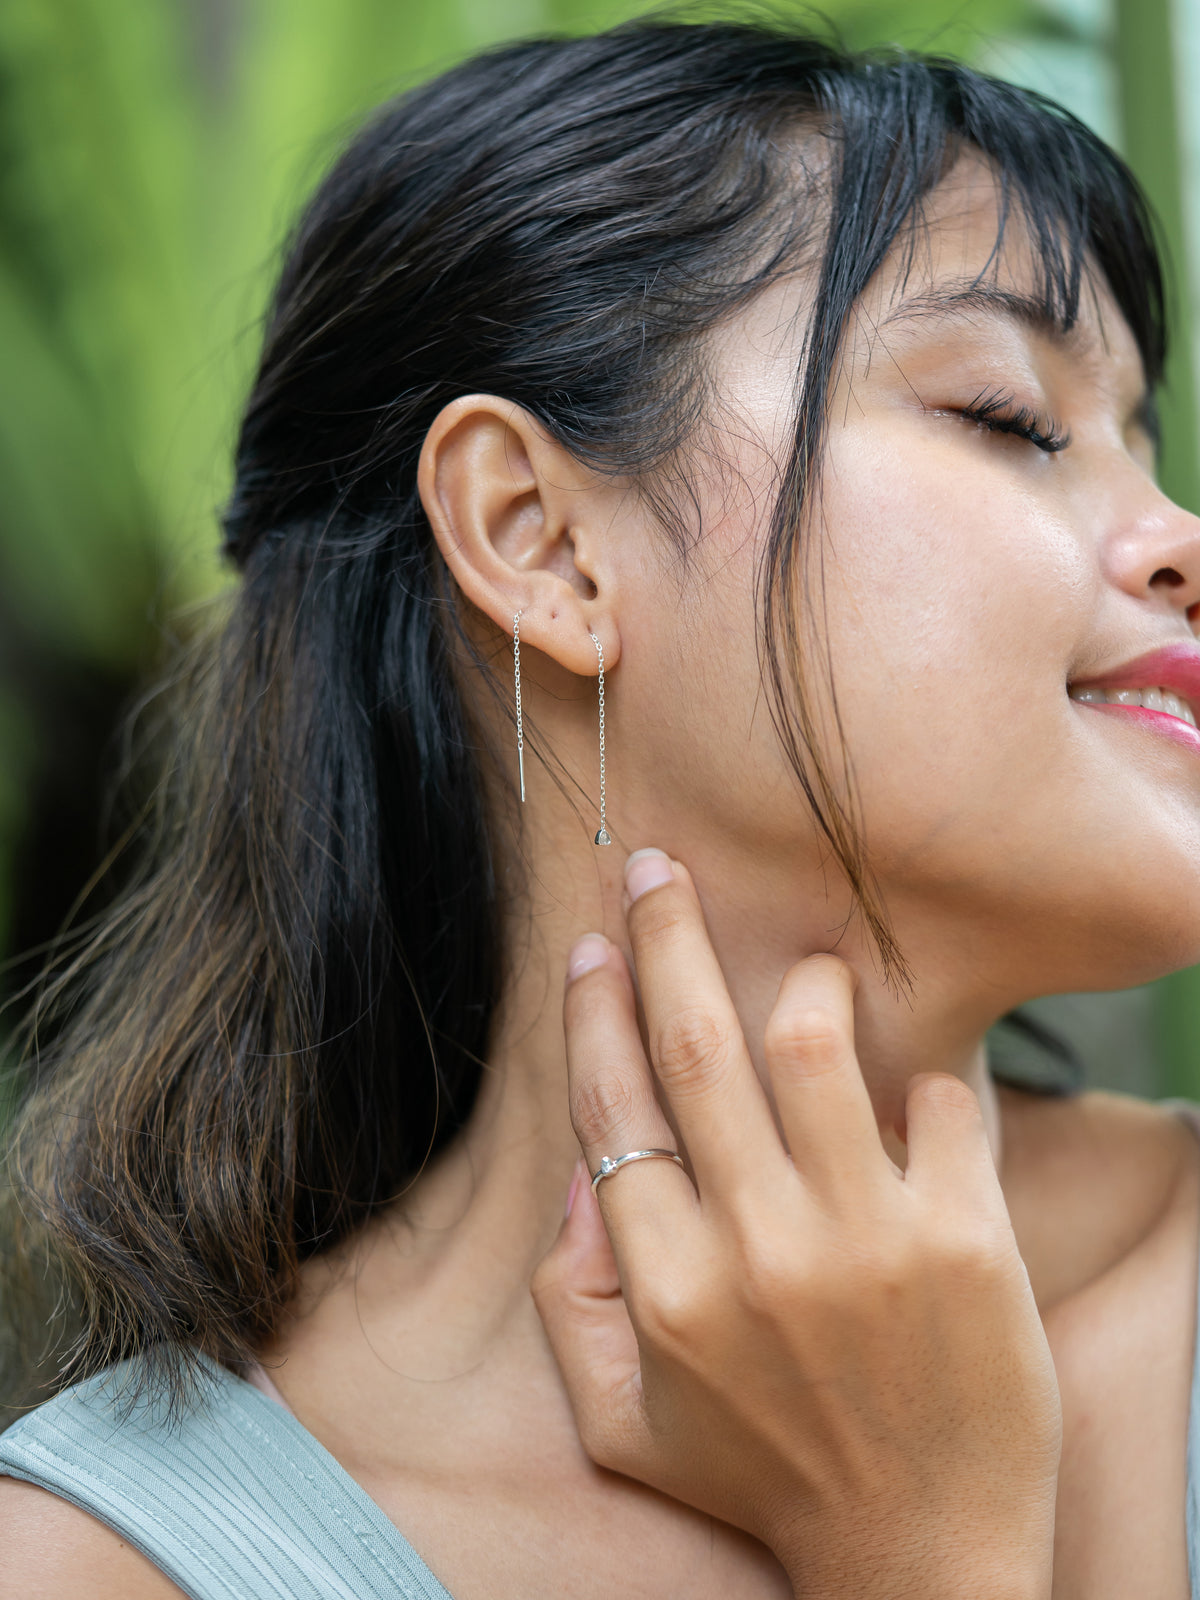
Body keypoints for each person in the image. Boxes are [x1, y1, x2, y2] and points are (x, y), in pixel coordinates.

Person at [1, 16, 1198, 1598]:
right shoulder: (109, 1563)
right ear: (539, 542)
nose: (1177, 533)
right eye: (1006, 415)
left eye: (1144, 443)